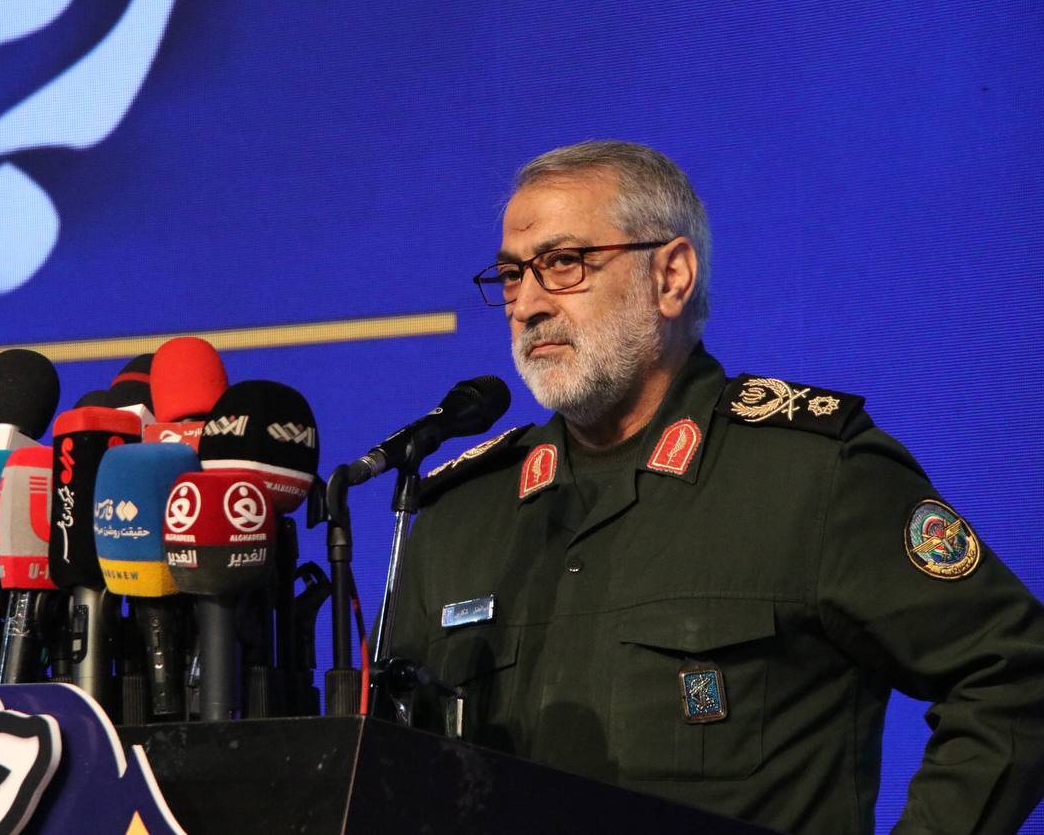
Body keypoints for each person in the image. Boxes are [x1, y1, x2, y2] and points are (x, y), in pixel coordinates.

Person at [389, 141, 1044, 834]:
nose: (526, 304)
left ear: (671, 276)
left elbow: (1014, 674)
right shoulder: (459, 514)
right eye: (511, 273)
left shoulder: (811, 476)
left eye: (563, 263)